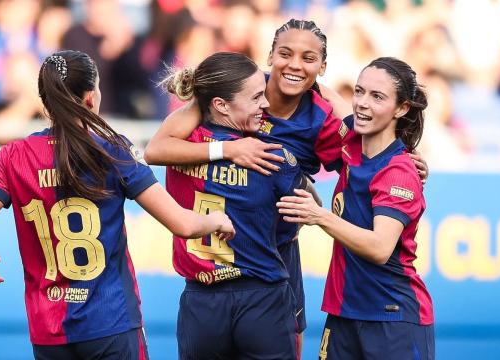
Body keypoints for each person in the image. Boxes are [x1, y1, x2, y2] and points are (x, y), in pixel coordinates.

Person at [144, 18, 430, 358]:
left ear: (322, 67)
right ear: (269, 56)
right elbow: (156, 149)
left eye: (309, 58)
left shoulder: (322, 117)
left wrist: (402, 159)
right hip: (217, 270)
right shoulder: (236, 89)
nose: (295, 65)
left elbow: (364, 154)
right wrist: (230, 149)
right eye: (285, 53)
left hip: (275, 258)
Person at [0, 50, 234, 360]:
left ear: (45, 100)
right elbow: (184, 225)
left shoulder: (12, 156)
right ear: (90, 97)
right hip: (110, 322)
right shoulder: (112, 150)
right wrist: (217, 220)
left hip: (49, 332)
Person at [276, 57, 435, 360]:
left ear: (401, 109)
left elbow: (379, 248)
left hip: (392, 318)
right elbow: (319, 91)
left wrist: (318, 215)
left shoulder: (398, 171)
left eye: (377, 97)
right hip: (344, 313)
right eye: (359, 91)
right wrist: (272, 73)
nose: (362, 103)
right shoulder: (351, 141)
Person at [161, 51, 303, 359]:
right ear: (220, 105)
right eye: (255, 98)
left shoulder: (179, 147)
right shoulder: (272, 155)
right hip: (262, 296)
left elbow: (156, 150)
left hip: (201, 304)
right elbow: (288, 233)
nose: (265, 104)